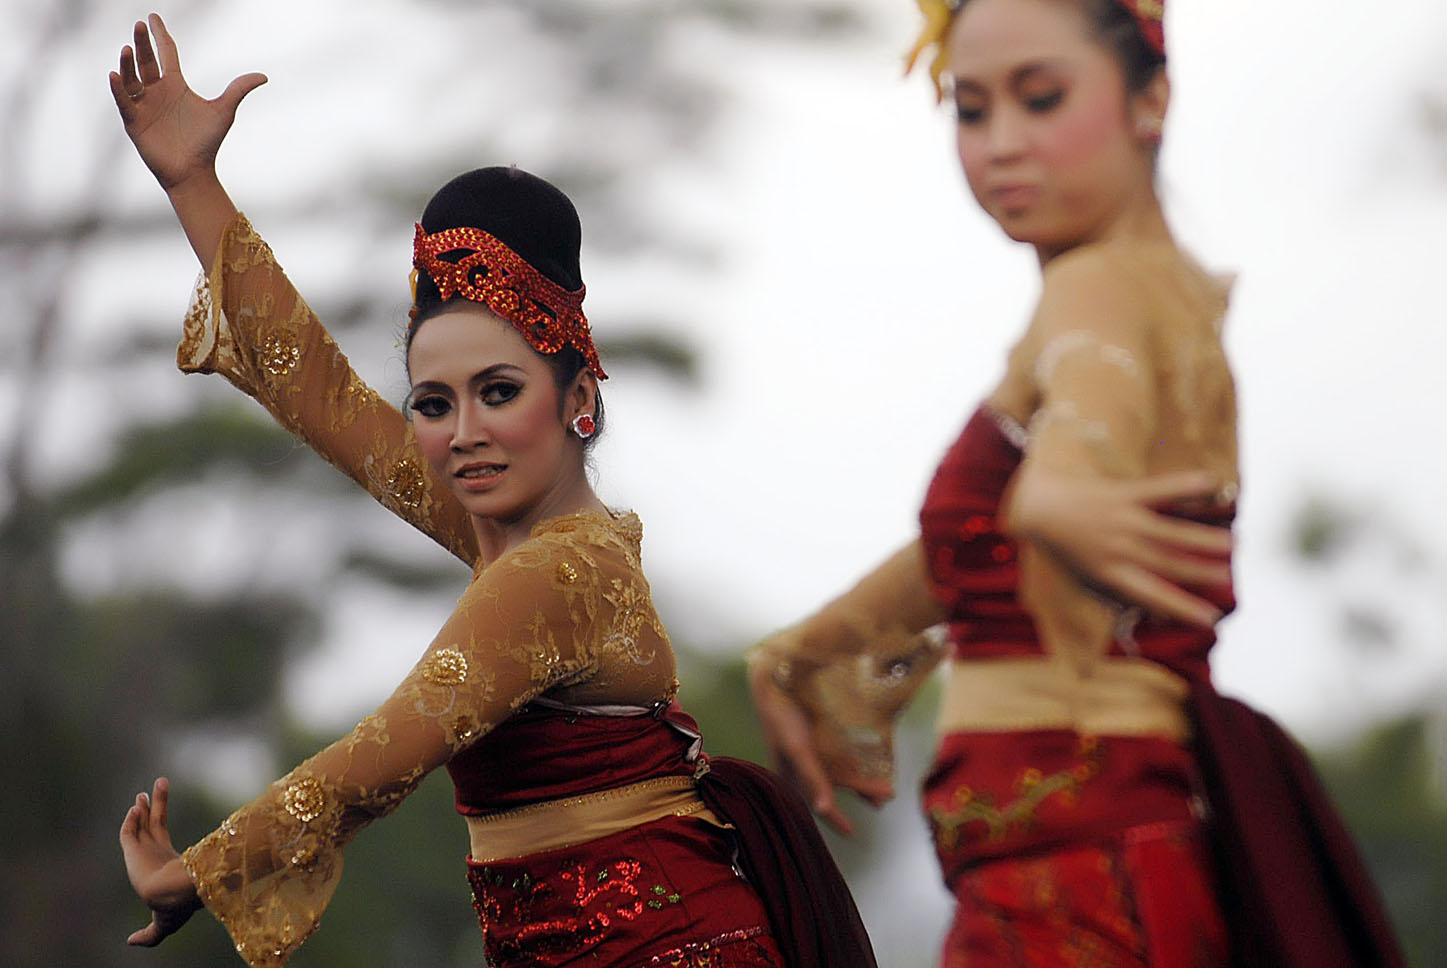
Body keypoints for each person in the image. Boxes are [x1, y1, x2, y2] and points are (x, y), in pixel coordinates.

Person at [108, 15, 878, 968]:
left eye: (499, 392)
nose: (463, 431)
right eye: (434, 401)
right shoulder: (506, 526)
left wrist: (192, 874)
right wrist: (193, 182)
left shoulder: (554, 575)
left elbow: (374, 763)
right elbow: (316, 388)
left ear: (579, 398)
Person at [747, 0, 1408, 965]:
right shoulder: (1156, 286)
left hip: (1076, 874)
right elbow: (984, 536)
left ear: (1152, 98)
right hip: (1101, 853)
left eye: (1042, 97)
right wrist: (812, 650)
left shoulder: (1093, 288)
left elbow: (1075, 448)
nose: (1001, 144)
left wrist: (1055, 488)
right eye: (970, 110)